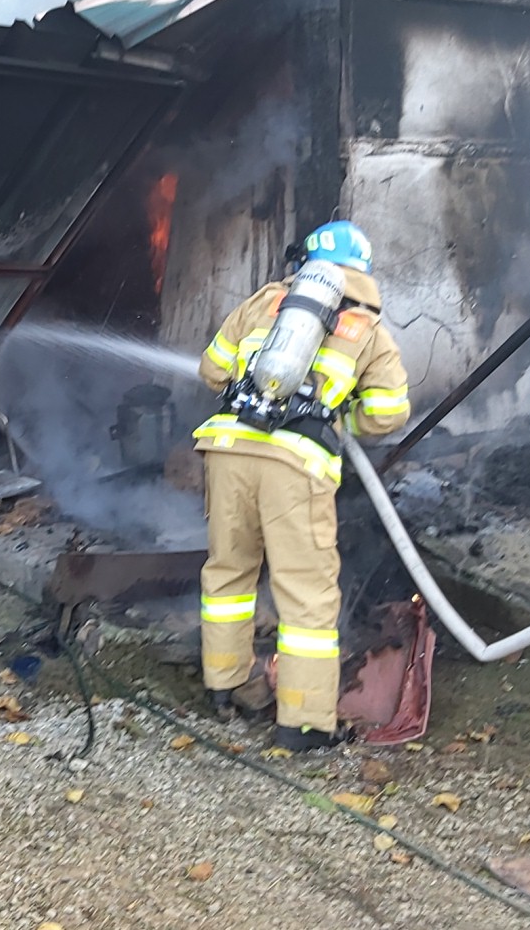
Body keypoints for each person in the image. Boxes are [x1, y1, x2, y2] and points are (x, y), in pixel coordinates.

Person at [193, 220, 410, 751]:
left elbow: (212, 370)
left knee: (228, 573)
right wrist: (338, 417)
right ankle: (305, 722)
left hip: (227, 449)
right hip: (295, 464)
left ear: (306, 261)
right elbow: (388, 412)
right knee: (307, 596)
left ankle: (224, 685)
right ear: (362, 271)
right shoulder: (366, 328)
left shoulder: (264, 302)